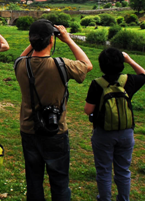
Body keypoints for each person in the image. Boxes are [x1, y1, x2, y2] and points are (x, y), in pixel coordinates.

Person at [14, 19, 93, 200]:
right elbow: (87, 65)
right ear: (52, 40)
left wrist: (35, 40)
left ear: (32, 41)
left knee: (33, 181)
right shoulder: (61, 65)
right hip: (55, 131)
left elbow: (21, 56)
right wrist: (68, 39)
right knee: (59, 181)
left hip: (28, 130)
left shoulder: (21, 65)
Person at [84, 48, 145, 201]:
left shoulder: (97, 84)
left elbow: (88, 110)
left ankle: (105, 198)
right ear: (121, 63)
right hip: (126, 132)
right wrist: (130, 60)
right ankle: (123, 198)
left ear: (101, 65)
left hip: (103, 133)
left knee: (104, 170)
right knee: (123, 170)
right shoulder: (129, 80)